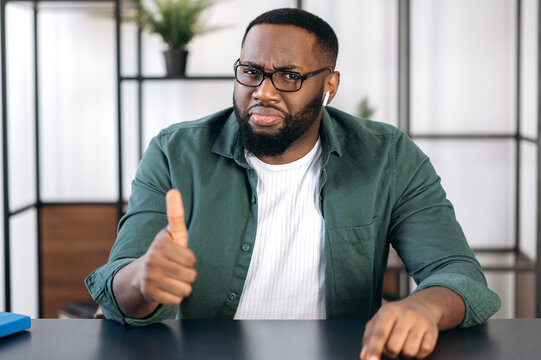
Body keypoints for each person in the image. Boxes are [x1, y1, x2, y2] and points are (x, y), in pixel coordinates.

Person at [86, 7, 500, 360]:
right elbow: (119, 283)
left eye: (289, 76)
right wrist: (143, 279)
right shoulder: (175, 152)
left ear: (329, 86)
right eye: (251, 71)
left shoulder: (387, 157)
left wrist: (424, 307)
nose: (263, 92)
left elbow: (457, 272)